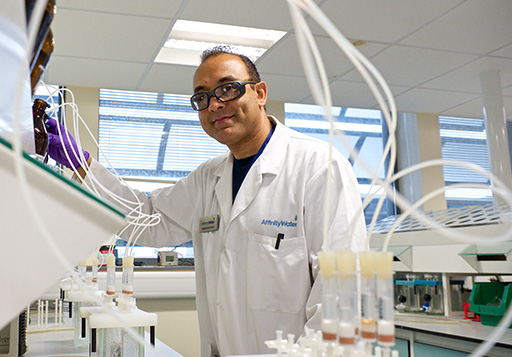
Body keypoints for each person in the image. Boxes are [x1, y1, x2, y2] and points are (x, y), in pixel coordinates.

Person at [46, 46, 367, 356]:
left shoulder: (319, 168)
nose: (214, 104)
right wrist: (81, 165)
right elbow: (147, 220)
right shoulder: (207, 179)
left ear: (260, 93)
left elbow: (342, 300)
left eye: (227, 89)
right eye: (202, 97)